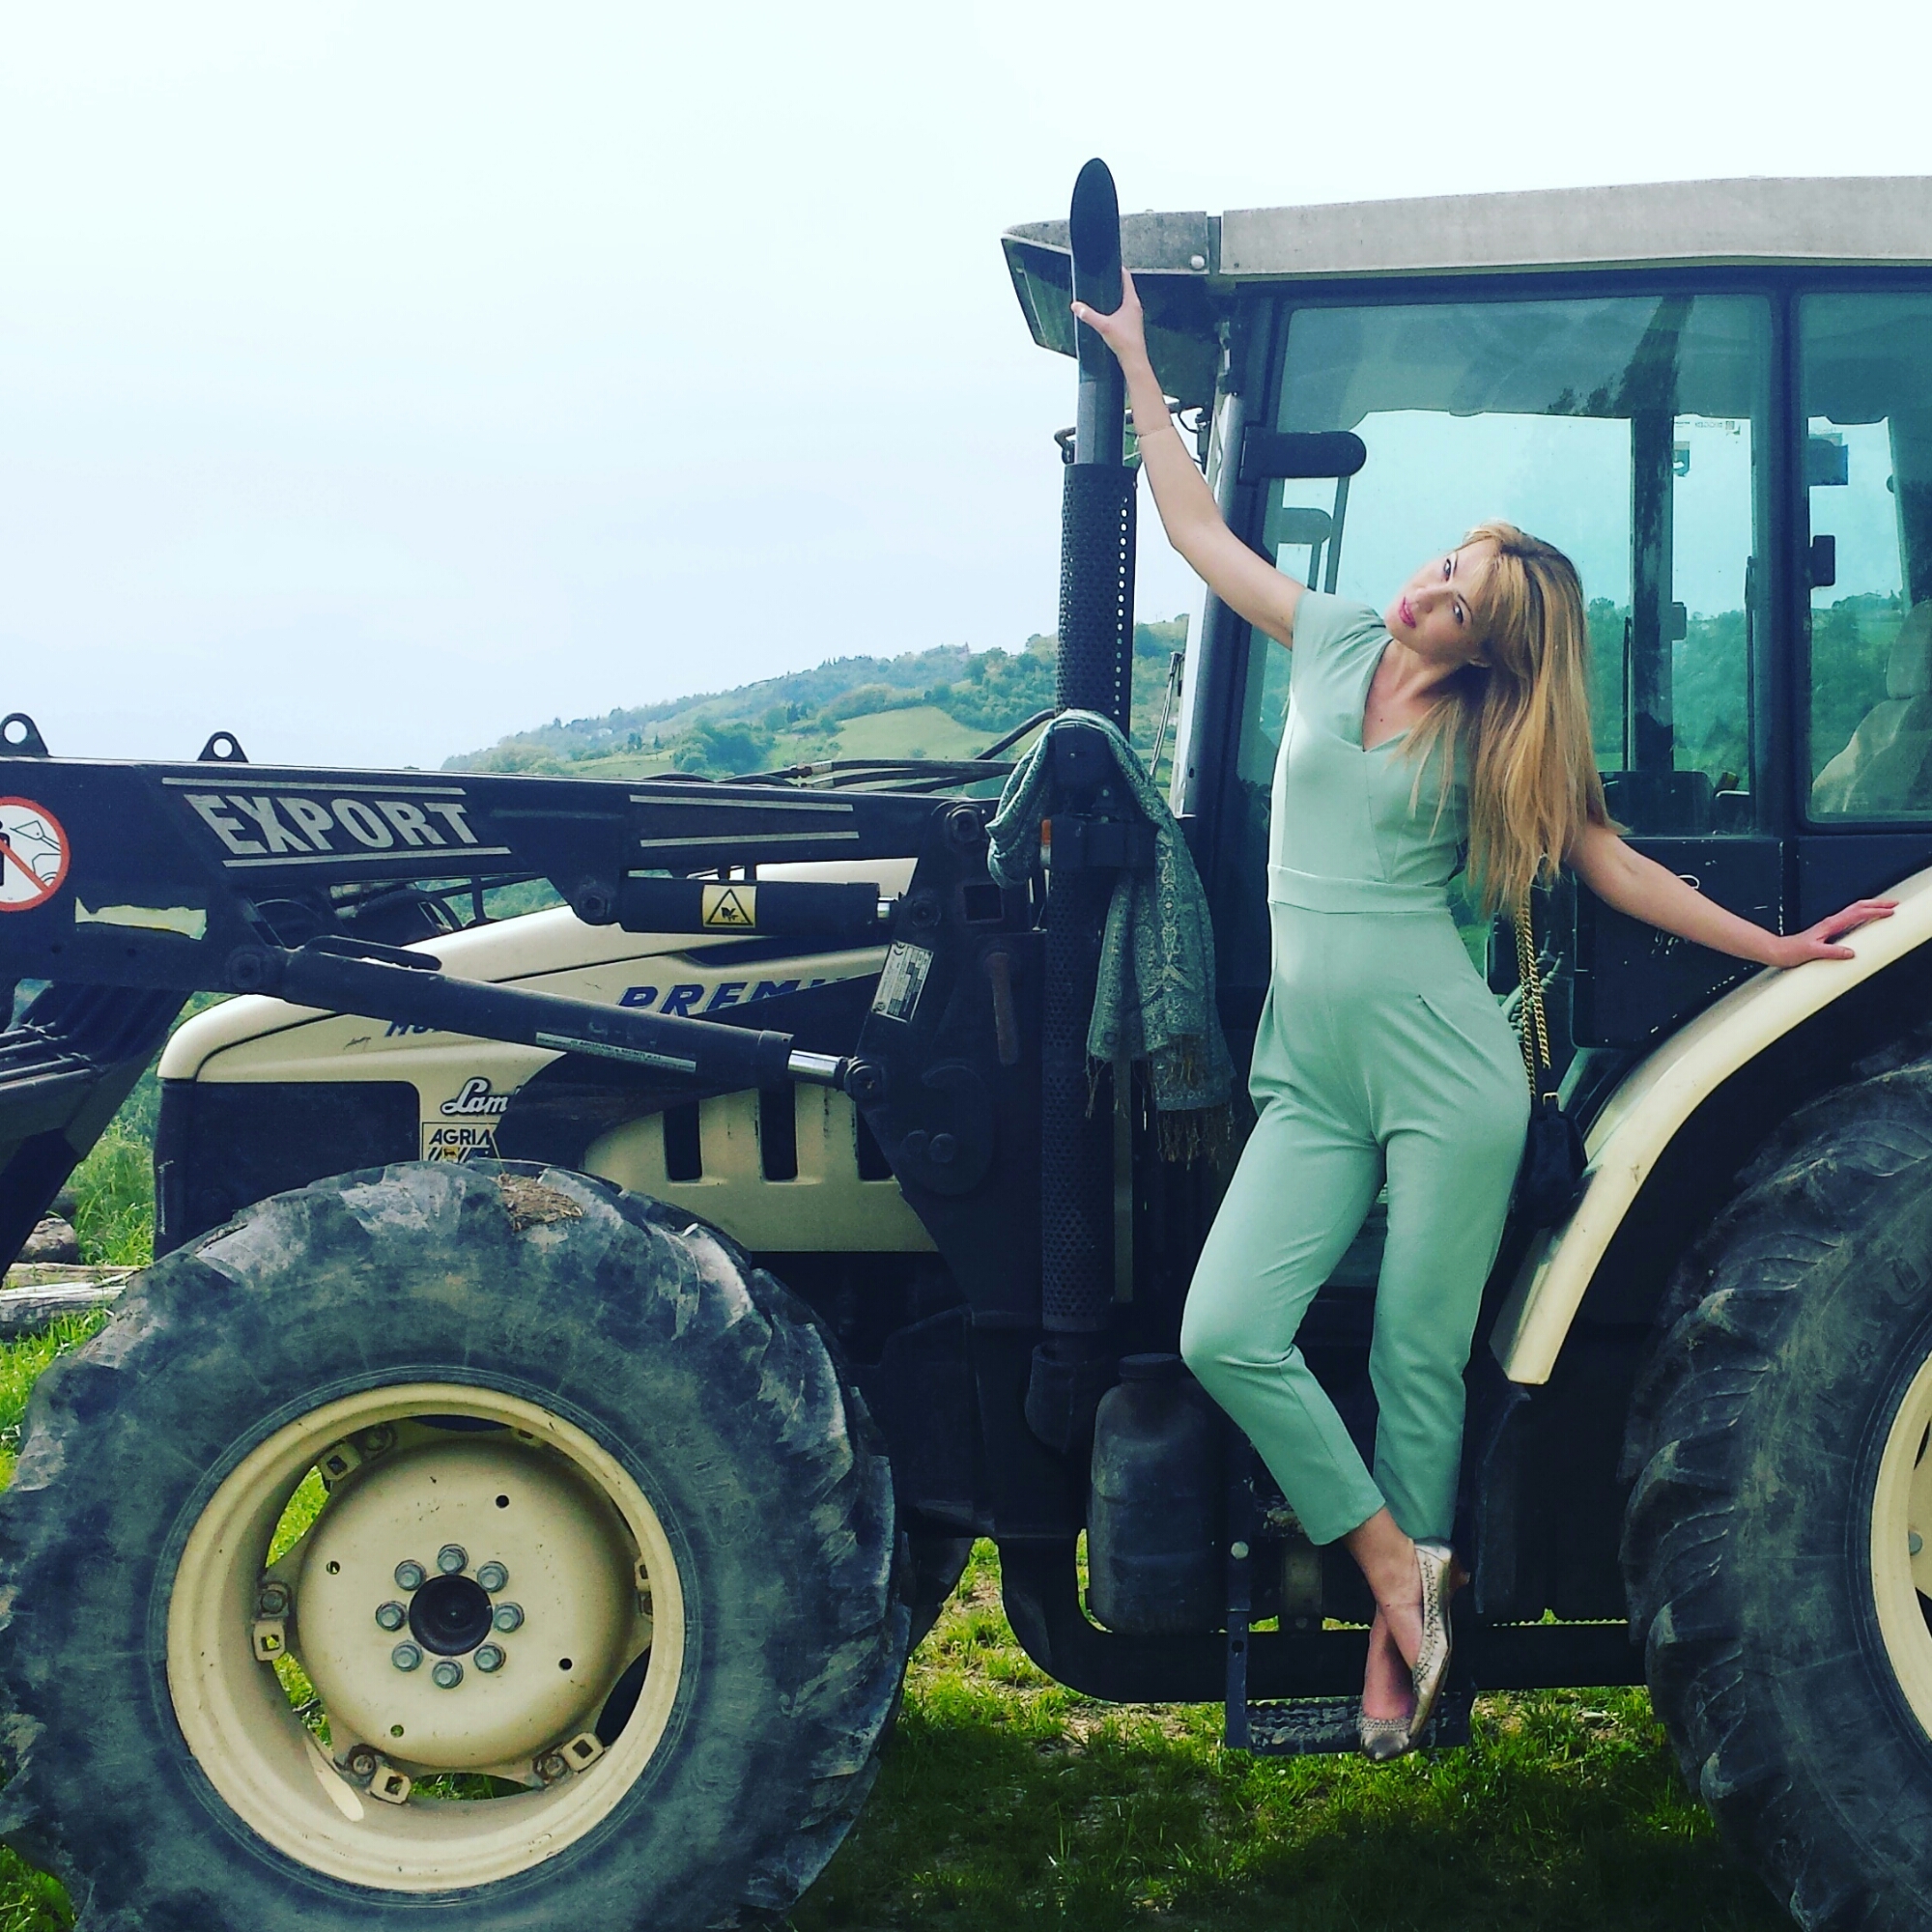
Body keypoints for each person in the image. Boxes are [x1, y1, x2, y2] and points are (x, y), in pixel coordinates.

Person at [1073, 270, 1898, 1760]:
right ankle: (1401, 1572)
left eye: (1461, 600)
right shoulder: (1334, 638)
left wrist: (1774, 943)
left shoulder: (1496, 737)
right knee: (1226, 1329)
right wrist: (1136, 364)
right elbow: (1197, 534)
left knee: (1415, 1356)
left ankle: (1405, 1643)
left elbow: (1608, 861)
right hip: (1311, 1073)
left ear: (1493, 645)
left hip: (1444, 1077)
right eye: (1445, 566)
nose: (1429, 591)